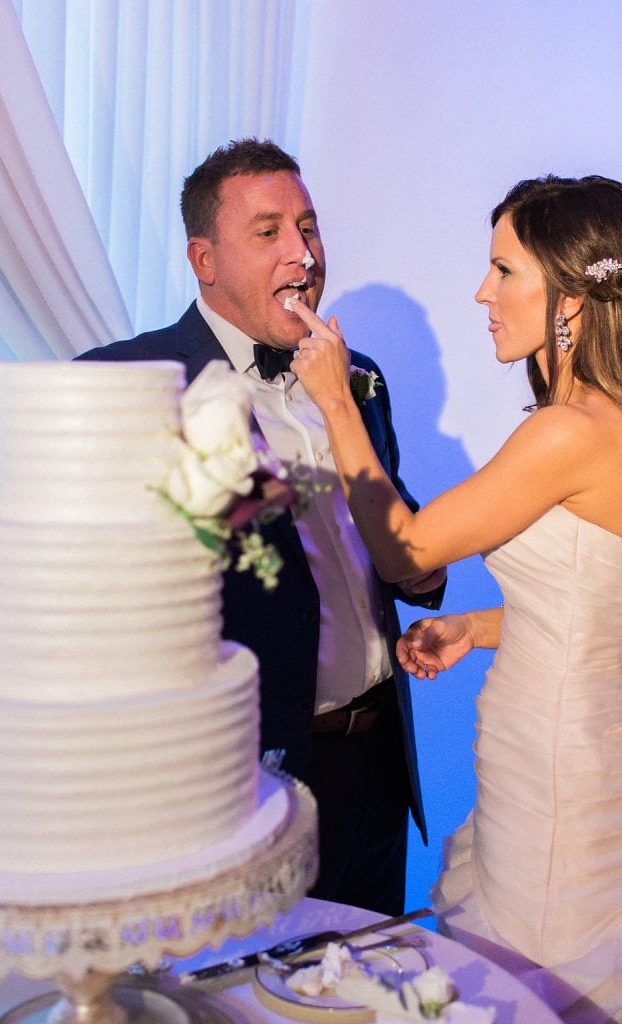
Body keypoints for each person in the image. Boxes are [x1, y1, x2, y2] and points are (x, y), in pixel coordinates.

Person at [76, 138, 446, 915]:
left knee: (368, 989)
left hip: (378, 765)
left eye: (308, 227)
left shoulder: (359, 376)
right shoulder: (129, 385)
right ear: (204, 260)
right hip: (248, 778)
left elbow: (396, 530)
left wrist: (419, 571)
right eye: (270, 231)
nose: (303, 254)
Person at [290, 174, 622, 1023]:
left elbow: (405, 546)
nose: (482, 290)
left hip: (552, 770)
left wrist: (334, 399)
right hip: (581, 753)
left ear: (570, 301)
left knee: (538, 981)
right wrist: (475, 626)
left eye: (503, 270)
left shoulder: (565, 433)